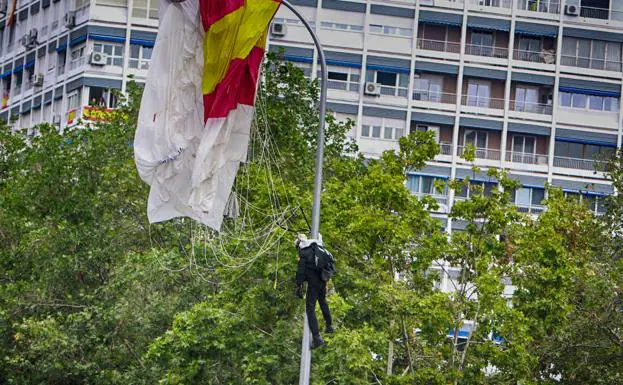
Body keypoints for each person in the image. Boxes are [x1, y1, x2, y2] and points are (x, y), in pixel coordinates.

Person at [295, 234, 334, 349]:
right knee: (322, 301)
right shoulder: (316, 247)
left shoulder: (303, 253)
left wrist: (299, 286)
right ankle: (329, 325)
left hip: (314, 282)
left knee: (310, 308)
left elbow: (301, 272)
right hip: (322, 279)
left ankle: (317, 338)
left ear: (298, 245)